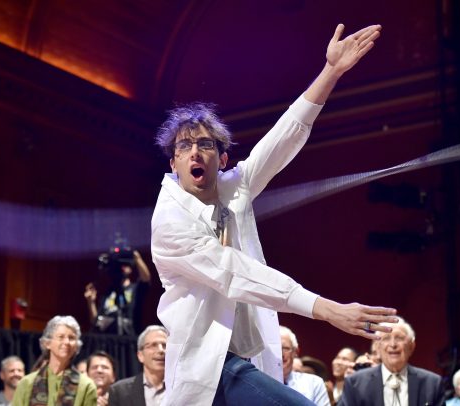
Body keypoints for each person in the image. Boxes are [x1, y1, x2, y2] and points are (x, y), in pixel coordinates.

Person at [151, 22, 398, 406]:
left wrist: (331, 71)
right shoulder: (170, 221)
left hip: (246, 357)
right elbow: (236, 274)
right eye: (184, 147)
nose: (195, 152)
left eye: (205, 144)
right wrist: (327, 310)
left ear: (223, 158)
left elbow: (284, 137)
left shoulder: (235, 186)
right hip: (212, 368)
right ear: (174, 164)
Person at [338, 317, 443, 406]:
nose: (393, 344)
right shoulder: (355, 383)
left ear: (411, 346)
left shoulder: (432, 384)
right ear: (378, 347)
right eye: (386, 338)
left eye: (399, 338)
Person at [12, 315, 97, 406]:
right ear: (47, 343)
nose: (67, 342)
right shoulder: (26, 383)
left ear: (76, 346)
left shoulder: (86, 386)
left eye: (71, 338)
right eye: (61, 337)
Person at [85, 250, 151, 335]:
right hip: (108, 342)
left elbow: (146, 279)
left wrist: (136, 256)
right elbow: (97, 323)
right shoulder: (108, 293)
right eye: (120, 265)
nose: (122, 267)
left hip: (129, 341)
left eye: (126, 264)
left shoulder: (135, 289)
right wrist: (91, 302)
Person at [108, 325, 166, 406]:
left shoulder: (183, 388)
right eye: (153, 345)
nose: (161, 350)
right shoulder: (119, 391)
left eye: (165, 345)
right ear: (140, 355)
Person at [280, 326, 330, 405]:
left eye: (285, 348)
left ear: (296, 352)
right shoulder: (255, 383)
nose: (280, 353)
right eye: (275, 348)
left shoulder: (314, 383)